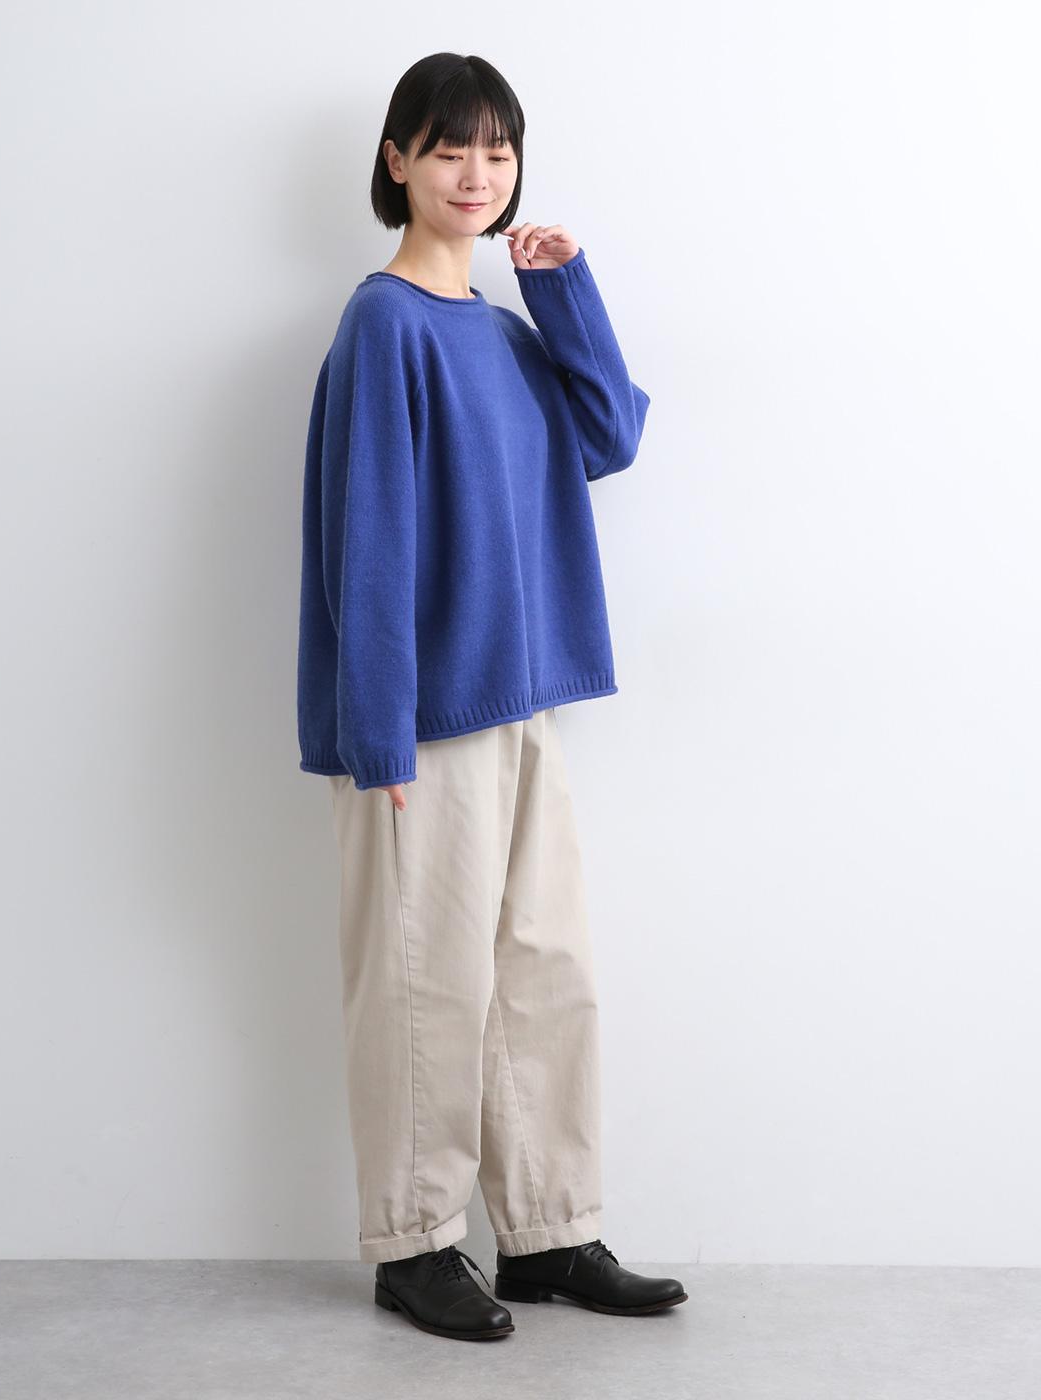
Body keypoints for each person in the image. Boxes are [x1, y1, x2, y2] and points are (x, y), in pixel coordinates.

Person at [296, 52, 688, 1341]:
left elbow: (610, 434)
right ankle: (414, 1245)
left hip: (523, 702)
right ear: (397, 161)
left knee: (543, 970)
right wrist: (375, 737)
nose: (477, 174)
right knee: (429, 984)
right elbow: (369, 537)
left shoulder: (509, 329)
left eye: (498, 150)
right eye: (450, 147)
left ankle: (548, 1232)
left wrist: (562, 287)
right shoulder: (385, 324)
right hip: (421, 722)